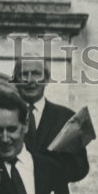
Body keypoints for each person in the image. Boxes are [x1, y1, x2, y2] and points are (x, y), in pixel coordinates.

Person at [10, 55, 89, 184]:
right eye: (24, 74)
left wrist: (48, 168)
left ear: (46, 79)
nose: (30, 80)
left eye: (36, 74)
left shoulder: (67, 118)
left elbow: (80, 168)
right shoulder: (3, 119)